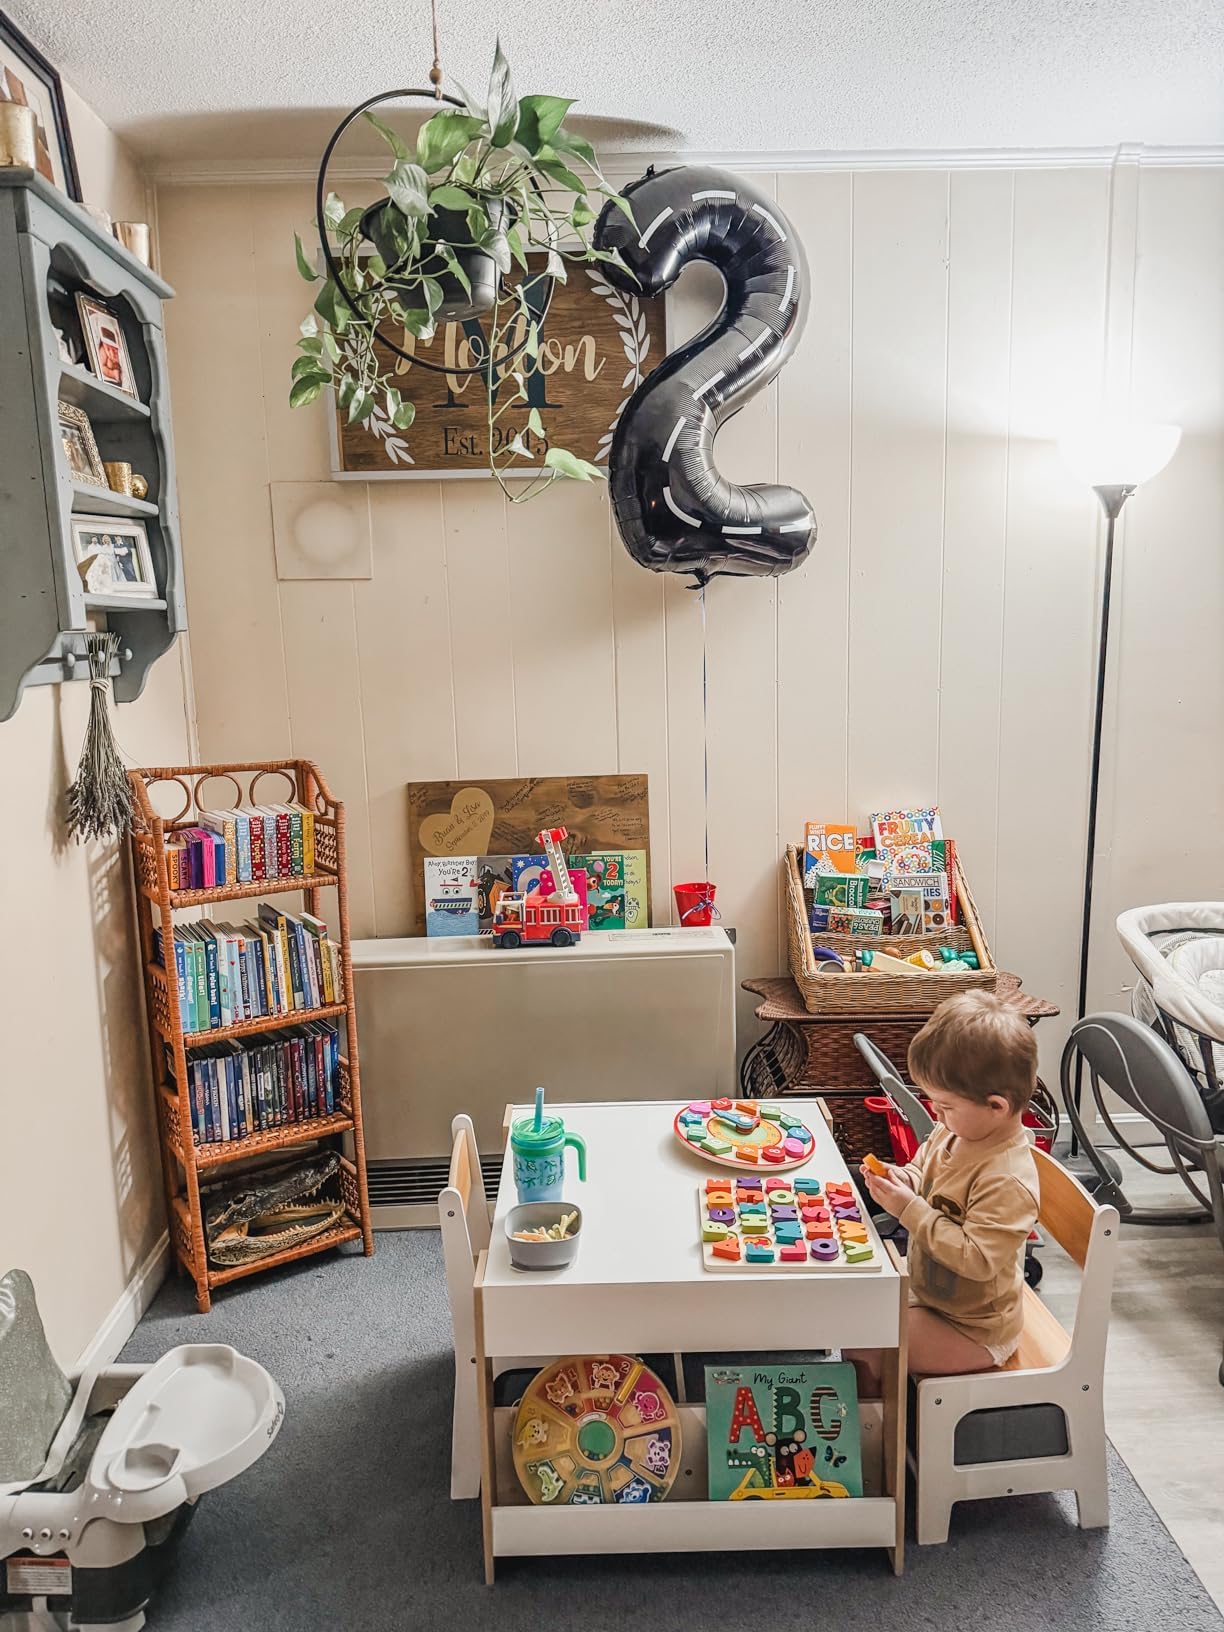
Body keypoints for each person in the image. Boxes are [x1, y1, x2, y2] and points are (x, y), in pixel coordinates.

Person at [846, 990, 1040, 1391]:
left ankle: (880, 1427)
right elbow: (923, 1172)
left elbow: (977, 1260)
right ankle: (886, 1410)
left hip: (974, 1330)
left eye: (946, 1106)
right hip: (931, 1297)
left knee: (867, 1346)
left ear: (997, 1106)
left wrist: (909, 1210)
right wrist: (905, 1180)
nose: (936, 1112)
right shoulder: (953, 1133)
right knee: (854, 1312)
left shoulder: (1006, 1178)